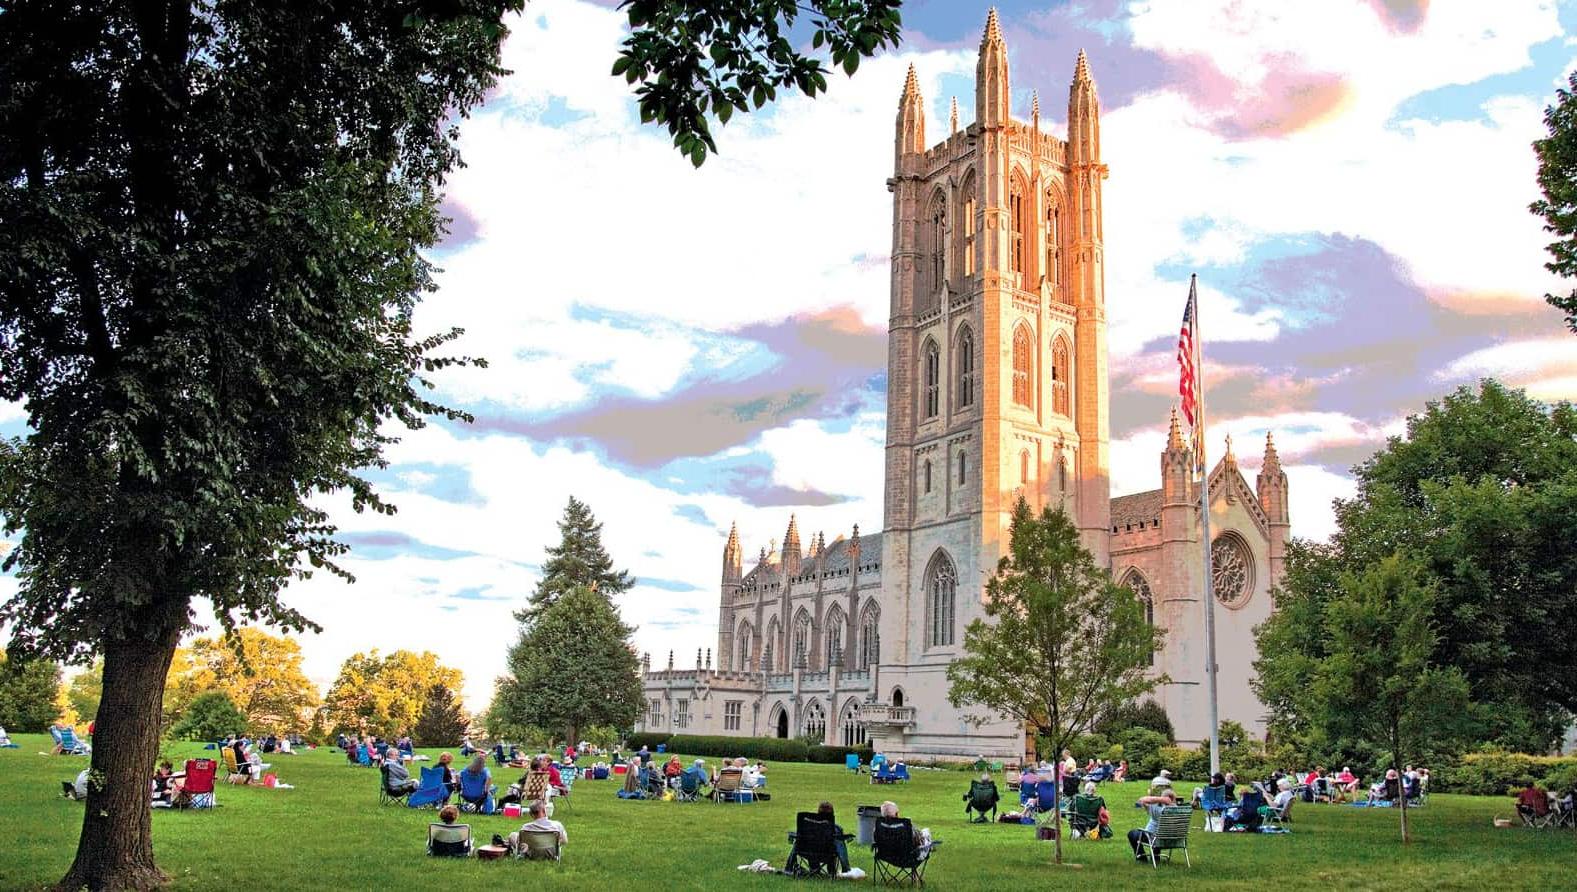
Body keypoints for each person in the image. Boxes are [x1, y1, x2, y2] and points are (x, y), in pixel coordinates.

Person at [800, 800, 852, 873]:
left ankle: (814, 869)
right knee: (836, 844)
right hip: (828, 855)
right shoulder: (836, 829)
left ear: (818, 813)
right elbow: (840, 846)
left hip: (808, 853)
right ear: (832, 814)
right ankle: (832, 871)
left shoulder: (807, 826)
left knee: (811, 845)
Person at [1128, 787, 1177, 859]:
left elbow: (1141, 800)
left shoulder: (1156, 808)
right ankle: (1156, 857)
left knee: (1132, 833)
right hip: (1172, 840)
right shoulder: (1179, 810)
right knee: (1157, 833)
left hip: (1155, 839)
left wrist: (1160, 799)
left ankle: (1142, 858)